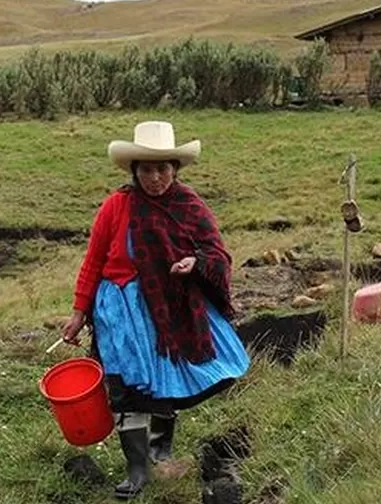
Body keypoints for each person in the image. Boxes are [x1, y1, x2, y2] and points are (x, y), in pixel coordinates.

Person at [61, 121, 250, 500]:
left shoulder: (189, 206)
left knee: (166, 380)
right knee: (127, 386)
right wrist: (80, 312)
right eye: (146, 169)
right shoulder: (118, 205)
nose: (155, 177)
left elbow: (216, 253)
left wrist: (194, 264)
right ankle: (137, 468)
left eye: (163, 168)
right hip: (118, 309)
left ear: (175, 169)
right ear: (134, 170)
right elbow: (94, 260)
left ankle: (160, 450)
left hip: (168, 308)